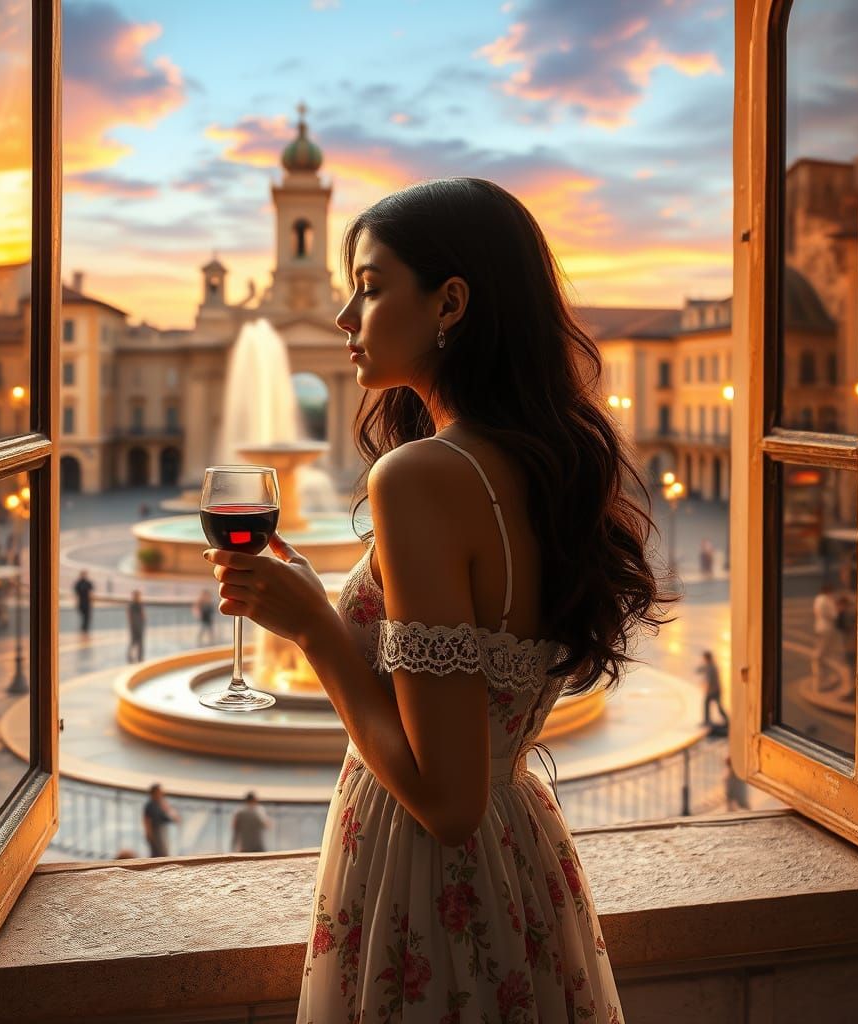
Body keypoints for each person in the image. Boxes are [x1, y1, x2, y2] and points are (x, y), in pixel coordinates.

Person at [204, 178, 676, 1022]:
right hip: (522, 856)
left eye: (371, 287)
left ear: (450, 302)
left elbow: (447, 803)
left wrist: (314, 627)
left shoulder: (418, 476)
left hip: (425, 881)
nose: (346, 316)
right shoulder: (534, 465)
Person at [811, 581, 841, 691]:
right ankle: (821, 683)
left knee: (820, 655)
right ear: (830, 591)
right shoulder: (828, 600)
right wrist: (838, 607)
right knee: (823, 656)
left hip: (819, 628)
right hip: (827, 629)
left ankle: (819, 681)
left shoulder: (818, 599)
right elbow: (834, 615)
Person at [142, 783, 179, 858]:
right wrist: (149, 834)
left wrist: (164, 805)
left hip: (162, 831)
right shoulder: (150, 805)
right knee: (158, 853)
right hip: (155, 832)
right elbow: (147, 820)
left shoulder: (160, 804)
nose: (161, 794)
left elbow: (173, 818)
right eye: (159, 792)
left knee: (162, 852)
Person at [697, 650, 729, 729]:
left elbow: (710, 680)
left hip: (714, 691)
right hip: (715, 690)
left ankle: (726, 720)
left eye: (704, 658)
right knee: (711, 705)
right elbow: (700, 669)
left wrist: (707, 688)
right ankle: (708, 720)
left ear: (707, 658)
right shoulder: (710, 665)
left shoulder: (711, 667)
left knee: (715, 706)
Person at [127, 590, 146, 663]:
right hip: (135, 626)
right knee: (134, 642)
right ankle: (131, 657)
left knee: (139, 642)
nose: (139, 597)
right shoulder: (132, 605)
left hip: (139, 625)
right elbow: (130, 616)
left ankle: (139, 657)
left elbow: (143, 615)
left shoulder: (139, 604)